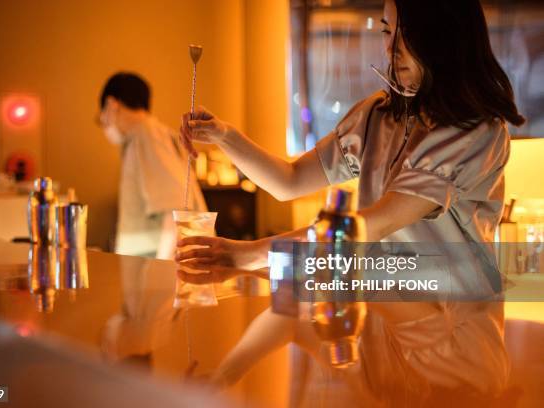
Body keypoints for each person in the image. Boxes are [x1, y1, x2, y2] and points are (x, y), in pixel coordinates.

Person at [177, 0, 525, 405]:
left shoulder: (475, 131)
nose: (391, 49)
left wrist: (245, 254)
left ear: (446, 38)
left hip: (459, 342)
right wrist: (225, 137)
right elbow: (289, 181)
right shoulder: (376, 115)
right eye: (385, 31)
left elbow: (363, 228)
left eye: (405, 34)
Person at [98, 72, 207, 259]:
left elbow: (175, 210)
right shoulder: (144, 137)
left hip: (155, 272)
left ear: (111, 104)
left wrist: (161, 271)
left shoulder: (147, 135)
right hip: (145, 270)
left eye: (100, 118)